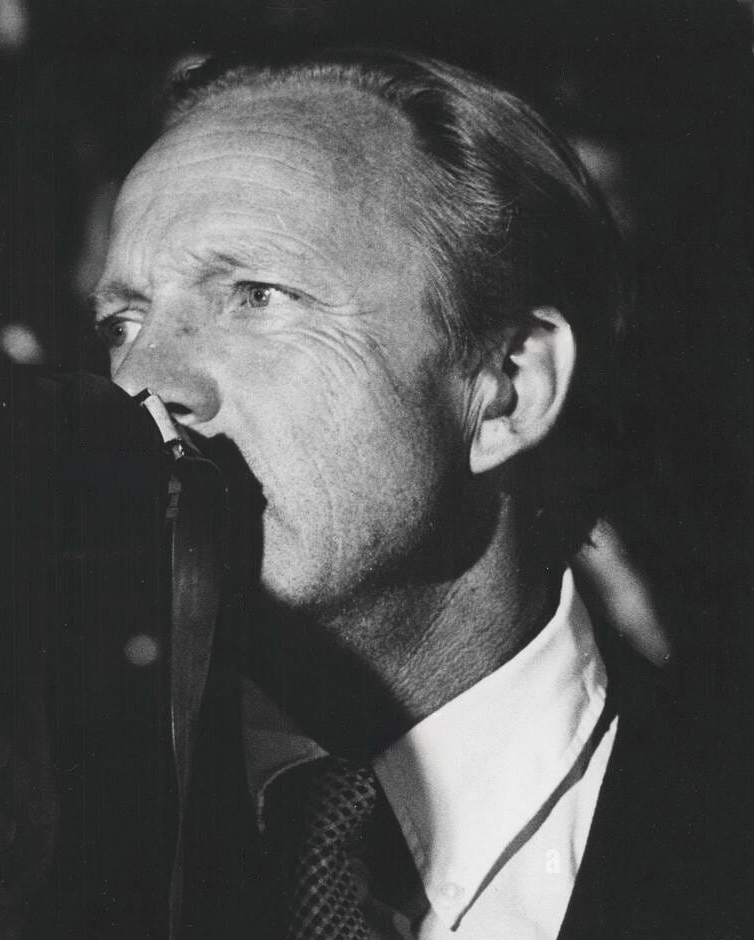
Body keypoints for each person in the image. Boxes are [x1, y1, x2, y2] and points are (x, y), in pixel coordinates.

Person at [88, 48, 748, 939]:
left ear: (508, 389)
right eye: (121, 323)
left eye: (256, 295)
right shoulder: (52, 845)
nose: (140, 383)